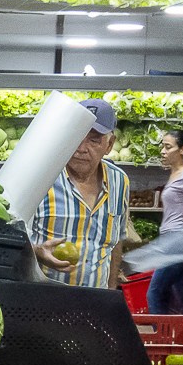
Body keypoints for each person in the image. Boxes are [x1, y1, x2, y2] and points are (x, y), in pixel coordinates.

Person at [28, 98, 135, 288]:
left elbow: (116, 242)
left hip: (94, 303)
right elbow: (13, 237)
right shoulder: (42, 177)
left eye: (94, 140)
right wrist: (36, 251)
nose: (81, 148)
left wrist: (109, 293)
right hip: (43, 301)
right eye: (76, 136)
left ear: (109, 145)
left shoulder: (120, 182)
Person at [147, 129, 183, 314]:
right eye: (162, 146)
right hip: (171, 240)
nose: (163, 151)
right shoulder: (175, 174)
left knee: (154, 293)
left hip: (178, 242)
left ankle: (161, 338)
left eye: (168, 147)